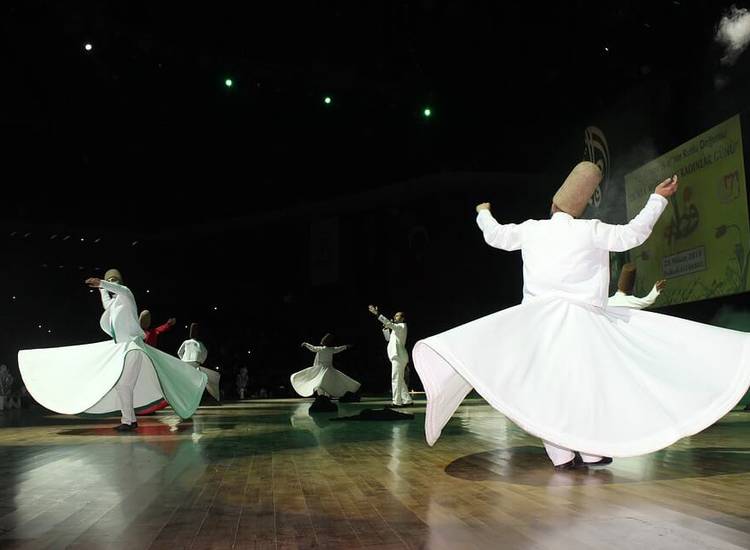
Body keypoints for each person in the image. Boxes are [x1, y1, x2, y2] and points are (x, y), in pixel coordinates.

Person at [412, 162, 750, 470]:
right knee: (585, 387)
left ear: (553, 205)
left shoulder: (533, 229)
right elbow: (634, 233)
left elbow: (496, 236)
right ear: (583, 206)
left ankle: (563, 454)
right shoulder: (591, 229)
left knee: (549, 389)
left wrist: (483, 212)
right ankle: (588, 451)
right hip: (583, 323)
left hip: (541, 322)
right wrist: (657, 199)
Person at [18, 269, 206, 431]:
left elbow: (116, 289)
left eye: (114, 280)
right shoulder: (115, 303)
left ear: (121, 282)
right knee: (123, 386)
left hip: (133, 347)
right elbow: (106, 302)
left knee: (124, 385)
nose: (112, 283)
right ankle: (130, 420)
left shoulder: (126, 294)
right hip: (122, 349)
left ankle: (129, 421)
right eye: (110, 280)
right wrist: (101, 288)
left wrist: (102, 282)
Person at [291, 333, 360, 398]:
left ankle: (323, 396)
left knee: (322, 382)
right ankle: (324, 396)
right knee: (326, 382)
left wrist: (306, 344)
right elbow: (339, 348)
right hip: (327, 368)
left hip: (323, 368)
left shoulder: (322, 349)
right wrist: (346, 347)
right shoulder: (330, 349)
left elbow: (312, 348)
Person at [368, 306, 412, 407]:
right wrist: (386, 329)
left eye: (398, 316)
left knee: (395, 378)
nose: (395, 317)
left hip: (399, 356)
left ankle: (396, 402)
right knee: (399, 379)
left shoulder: (402, 326)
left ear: (402, 318)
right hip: (397, 356)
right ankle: (407, 400)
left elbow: (390, 323)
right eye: (395, 315)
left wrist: (377, 314)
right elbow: (387, 339)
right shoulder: (396, 329)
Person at [178, 323, 220, 402]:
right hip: (194, 363)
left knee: (188, 382)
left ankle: (188, 398)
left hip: (186, 363)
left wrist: (183, 360)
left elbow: (179, 352)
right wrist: (201, 361)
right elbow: (205, 352)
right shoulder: (199, 343)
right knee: (194, 382)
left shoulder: (187, 342)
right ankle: (192, 398)